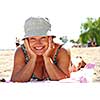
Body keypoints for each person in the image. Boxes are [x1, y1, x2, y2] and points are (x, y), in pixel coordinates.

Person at [11, 17, 71, 82]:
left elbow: (64, 81)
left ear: (50, 38)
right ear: (26, 41)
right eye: (33, 39)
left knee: (76, 65)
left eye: (43, 38)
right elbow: (15, 80)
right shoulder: (21, 51)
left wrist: (47, 58)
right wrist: (33, 58)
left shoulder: (61, 50)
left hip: (71, 64)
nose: (38, 43)